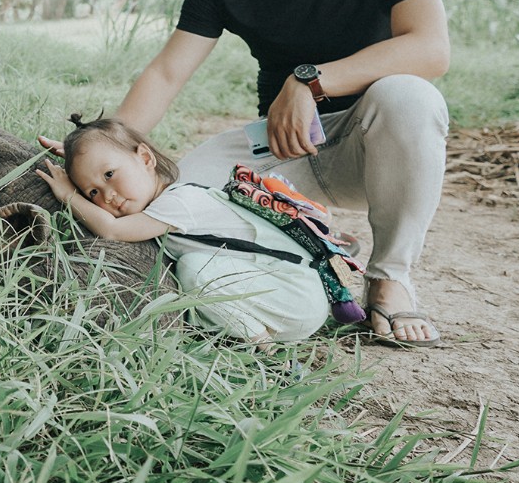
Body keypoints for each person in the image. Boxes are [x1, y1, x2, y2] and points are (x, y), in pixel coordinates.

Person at [88, 0, 451, 345]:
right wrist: (102, 148)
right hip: (278, 155)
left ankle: (389, 279)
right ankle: (276, 277)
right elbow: (167, 73)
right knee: (169, 200)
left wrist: (309, 82)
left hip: (370, 144)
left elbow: (431, 50)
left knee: (411, 97)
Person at [37, 114, 330, 343]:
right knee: (194, 273)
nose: (108, 196)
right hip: (285, 295)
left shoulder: (179, 202)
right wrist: (84, 162)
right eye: (92, 193)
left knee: (194, 269)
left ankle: (259, 345)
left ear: (145, 158)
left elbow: (112, 230)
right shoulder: (166, 202)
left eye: (110, 174)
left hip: (297, 298)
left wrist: (70, 194)